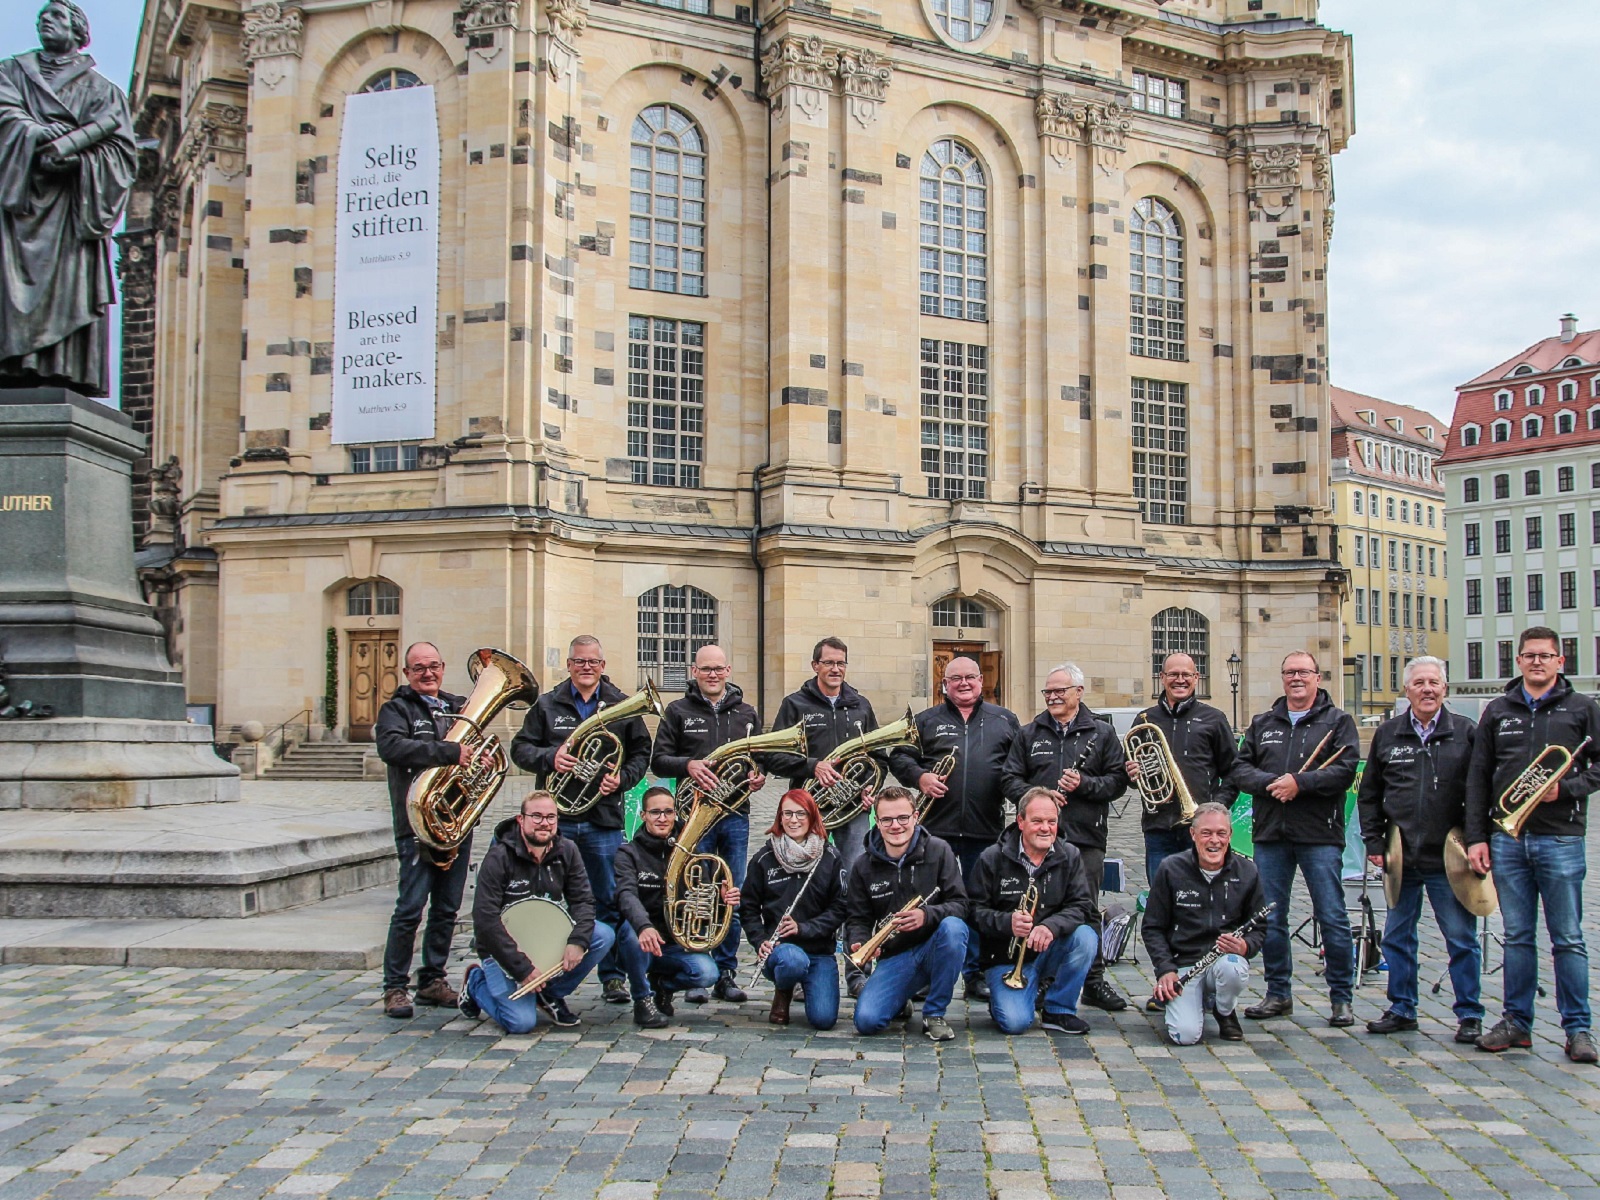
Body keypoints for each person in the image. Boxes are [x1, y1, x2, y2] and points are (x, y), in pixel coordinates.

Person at [1464, 626, 1600, 1063]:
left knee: (1569, 938)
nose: (1537, 662)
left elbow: (1598, 767)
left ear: (1561, 662)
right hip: (1507, 838)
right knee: (1518, 936)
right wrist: (1476, 838)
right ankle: (1517, 1022)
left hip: (1561, 835)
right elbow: (1478, 777)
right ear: (1518, 661)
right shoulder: (1498, 710)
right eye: (1529, 655)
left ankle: (1578, 1029)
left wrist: (1570, 788)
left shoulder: (1582, 708)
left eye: (1546, 656)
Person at [0, 2, 136, 397]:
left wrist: (79, 157)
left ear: (78, 30)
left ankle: (60, 365)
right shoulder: (10, 73)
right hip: (20, 201)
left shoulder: (103, 92)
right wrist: (40, 136)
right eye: (42, 16)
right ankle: (13, 361)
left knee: (67, 285)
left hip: (71, 208)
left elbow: (122, 155)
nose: (46, 20)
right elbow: (4, 116)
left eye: (57, 16)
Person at [511, 635, 651, 1007]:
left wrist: (622, 779)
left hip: (602, 819)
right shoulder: (546, 705)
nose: (586, 667)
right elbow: (520, 748)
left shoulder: (622, 706)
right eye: (578, 661)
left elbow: (641, 754)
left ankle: (613, 978)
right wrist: (550, 758)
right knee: (549, 895)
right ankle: (538, 968)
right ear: (569, 665)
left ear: (603, 666)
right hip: (555, 822)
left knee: (609, 898)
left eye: (592, 662)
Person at [1357, 656, 1483, 1043]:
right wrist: (1374, 841)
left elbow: (1480, 794)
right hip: (1401, 855)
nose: (1427, 689)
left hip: (1451, 856)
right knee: (1398, 936)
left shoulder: (1466, 732)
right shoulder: (1389, 733)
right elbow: (1370, 793)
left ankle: (1470, 1014)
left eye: (1434, 682)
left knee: (1461, 938)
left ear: (1444, 689)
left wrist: (1479, 841)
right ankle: (1401, 1007)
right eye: (1419, 683)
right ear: (1407, 689)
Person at [1232, 651, 1360, 1027]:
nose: (1297, 678)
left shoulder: (1338, 723)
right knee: (1271, 917)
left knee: (1332, 915)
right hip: (1271, 834)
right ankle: (1278, 994)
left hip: (1319, 834)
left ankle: (1341, 997)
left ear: (1317, 678)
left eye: (1304, 672)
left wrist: (1300, 784)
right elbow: (1241, 769)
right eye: (1290, 672)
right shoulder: (1263, 723)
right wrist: (1272, 785)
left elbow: (1345, 769)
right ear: (1283, 678)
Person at [890, 656, 1021, 1002]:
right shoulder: (926, 720)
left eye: (971, 677)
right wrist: (920, 776)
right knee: (932, 901)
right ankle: (926, 971)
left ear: (982, 681)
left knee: (981, 903)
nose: (964, 683)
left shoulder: (1005, 720)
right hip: (937, 830)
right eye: (955, 678)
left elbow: (1019, 767)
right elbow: (899, 756)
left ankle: (976, 973)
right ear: (944, 685)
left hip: (986, 828)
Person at [1001, 663, 1130, 1012]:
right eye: (1048, 692)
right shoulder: (1029, 733)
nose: (1053, 697)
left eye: (1060, 691)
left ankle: (1093, 981)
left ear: (1079, 692)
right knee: (1038, 906)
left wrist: (1084, 785)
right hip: (1036, 838)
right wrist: (1037, 797)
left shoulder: (1101, 733)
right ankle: (1043, 977)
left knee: (1086, 908)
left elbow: (1118, 782)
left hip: (1085, 837)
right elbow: (1010, 779)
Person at [373, 641, 483, 1019]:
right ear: (407, 673)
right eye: (418, 667)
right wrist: (448, 752)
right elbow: (392, 748)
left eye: (433, 666)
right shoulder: (396, 709)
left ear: (443, 667)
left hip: (456, 822)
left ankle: (433, 980)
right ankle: (395, 987)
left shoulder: (457, 708)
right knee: (410, 908)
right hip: (417, 824)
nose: (427, 673)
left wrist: (479, 759)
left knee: (447, 908)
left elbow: (480, 750)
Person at [651, 643, 765, 1004]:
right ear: (694, 672)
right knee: (693, 889)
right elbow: (658, 760)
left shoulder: (747, 712)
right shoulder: (678, 710)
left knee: (730, 892)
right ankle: (697, 967)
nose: (712, 674)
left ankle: (726, 971)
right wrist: (688, 765)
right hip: (693, 818)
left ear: (728, 671)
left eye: (718, 668)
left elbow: (758, 759)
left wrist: (759, 775)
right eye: (705, 669)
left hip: (735, 815)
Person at [767, 636, 881, 995]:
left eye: (841, 663)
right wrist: (813, 766)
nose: (835, 669)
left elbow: (878, 754)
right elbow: (771, 756)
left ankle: (856, 969)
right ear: (815, 665)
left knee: (855, 887)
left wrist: (868, 787)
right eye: (829, 663)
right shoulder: (795, 704)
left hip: (850, 813)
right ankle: (803, 968)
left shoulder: (860, 705)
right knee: (803, 888)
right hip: (806, 813)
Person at [459, 790, 614, 1033]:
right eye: (537, 816)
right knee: (521, 1023)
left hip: (543, 941)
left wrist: (578, 941)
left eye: (551, 817)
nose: (545, 823)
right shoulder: (499, 856)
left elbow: (584, 901)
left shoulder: (568, 850)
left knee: (602, 935)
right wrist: (522, 969)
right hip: (503, 952)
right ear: (521, 820)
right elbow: (485, 919)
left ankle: (549, 994)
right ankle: (476, 982)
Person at [968, 788, 1099, 1035]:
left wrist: (1051, 926)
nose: (1045, 828)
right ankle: (1010, 998)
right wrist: (1007, 922)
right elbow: (973, 911)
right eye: (1037, 821)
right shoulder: (992, 858)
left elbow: (1081, 906)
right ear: (1020, 821)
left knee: (1086, 937)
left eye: (1051, 822)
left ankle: (1059, 1010)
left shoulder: (1069, 855)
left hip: (1049, 949)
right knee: (1015, 1023)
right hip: (1005, 958)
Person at [845, 787, 970, 1041]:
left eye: (903, 818)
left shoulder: (939, 850)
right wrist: (862, 942)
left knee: (955, 928)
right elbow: (858, 918)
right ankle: (900, 1000)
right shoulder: (862, 866)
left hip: (935, 948)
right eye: (887, 820)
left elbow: (961, 905)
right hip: (895, 956)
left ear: (915, 816)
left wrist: (927, 915)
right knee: (867, 1021)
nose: (896, 825)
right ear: (877, 822)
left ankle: (934, 1013)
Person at [1143, 802, 1267, 1045]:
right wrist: (1165, 970)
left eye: (1221, 833)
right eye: (1206, 833)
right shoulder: (1171, 868)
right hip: (1184, 964)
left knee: (1233, 968)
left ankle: (1224, 1011)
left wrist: (1244, 947)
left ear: (1230, 835)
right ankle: (1194, 1000)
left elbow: (1260, 928)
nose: (1214, 841)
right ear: (1193, 835)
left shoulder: (1248, 871)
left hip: (1223, 961)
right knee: (1184, 1037)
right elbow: (1152, 927)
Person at [613, 785, 731, 1026]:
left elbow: (705, 905)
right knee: (630, 932)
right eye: (655, 812)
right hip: (642, 939)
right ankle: (642, 999)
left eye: (668, 812)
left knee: (707, 973)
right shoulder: (629, 853)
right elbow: (626, 895)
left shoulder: (692, 854)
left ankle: (661, 985)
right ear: (643, 815)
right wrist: (644, 926)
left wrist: (721, 901)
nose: (663, 818)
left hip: (676, 942)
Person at [1125, 653, 1239, 886]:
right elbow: (1128, 776)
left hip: (1201, 827)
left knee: (1203, 893)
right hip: (1158, 824)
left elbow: (1234, 772)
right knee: (1161, 894)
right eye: (1173, 675)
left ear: (1196, 677)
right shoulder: (1146, 719)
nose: (1180, 680)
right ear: (1162, 677)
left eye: (1186, 675)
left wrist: (1215, 807)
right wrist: (1132, 772)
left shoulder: (1214, 719)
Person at [741, 790, 847, 1029]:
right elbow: (747, 908)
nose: (794, 820)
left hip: (819, 950)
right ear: (779, 817)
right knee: (792, 961)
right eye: (787, 814)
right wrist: (759, 941)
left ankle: (811, 983)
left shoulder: (829, 857)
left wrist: (804, 928)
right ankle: (784, 989)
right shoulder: (764, 858)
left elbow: (840, 908)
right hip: (781, 951)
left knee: (824, 1020)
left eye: (801, 813)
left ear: (812, 818)